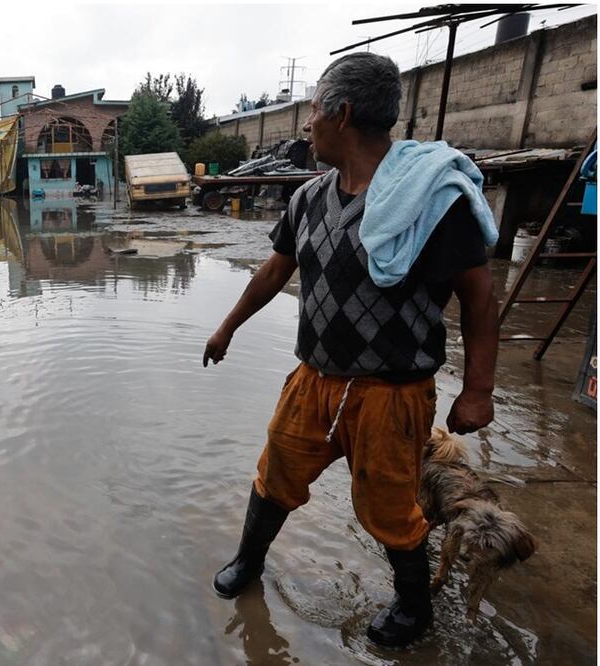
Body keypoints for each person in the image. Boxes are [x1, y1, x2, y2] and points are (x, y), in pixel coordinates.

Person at [202, 52, 500, 649]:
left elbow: (479, 297)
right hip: (314, 381)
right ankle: (248, 564)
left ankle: (414, 606)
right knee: (275, 475)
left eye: (312, 109)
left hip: (392, 394)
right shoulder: (309, 198)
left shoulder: (431, 201)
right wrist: (227, 326)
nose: (305, 123)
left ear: (340, 113)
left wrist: (478, 390)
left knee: (391, 506)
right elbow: (273, 270)